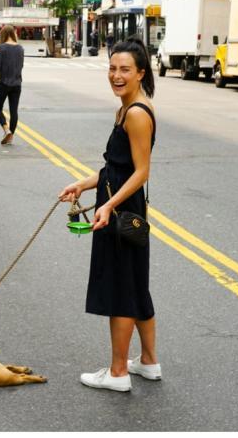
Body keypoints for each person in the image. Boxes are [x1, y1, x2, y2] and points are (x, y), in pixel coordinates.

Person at [58, 38, 159, 393]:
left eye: (125, 70)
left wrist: (108, 204)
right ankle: (148, 362)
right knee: (135, 285)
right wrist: (83, 185)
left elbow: (141, 172)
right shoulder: (126, 108)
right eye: (113, 68)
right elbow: (116, 167)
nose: (116, 76)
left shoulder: (136, 114)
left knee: (121, 290)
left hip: (120, 213)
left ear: (141, 73)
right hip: (118, 206)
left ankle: (118, 372)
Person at [0, 25, 25, 146]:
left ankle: (6, 130)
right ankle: (11, 135)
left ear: (3, 34)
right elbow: (21, 66)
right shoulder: (20, 48)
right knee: (13, 110)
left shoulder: (3, 47)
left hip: (4, 83)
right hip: (17, 83)